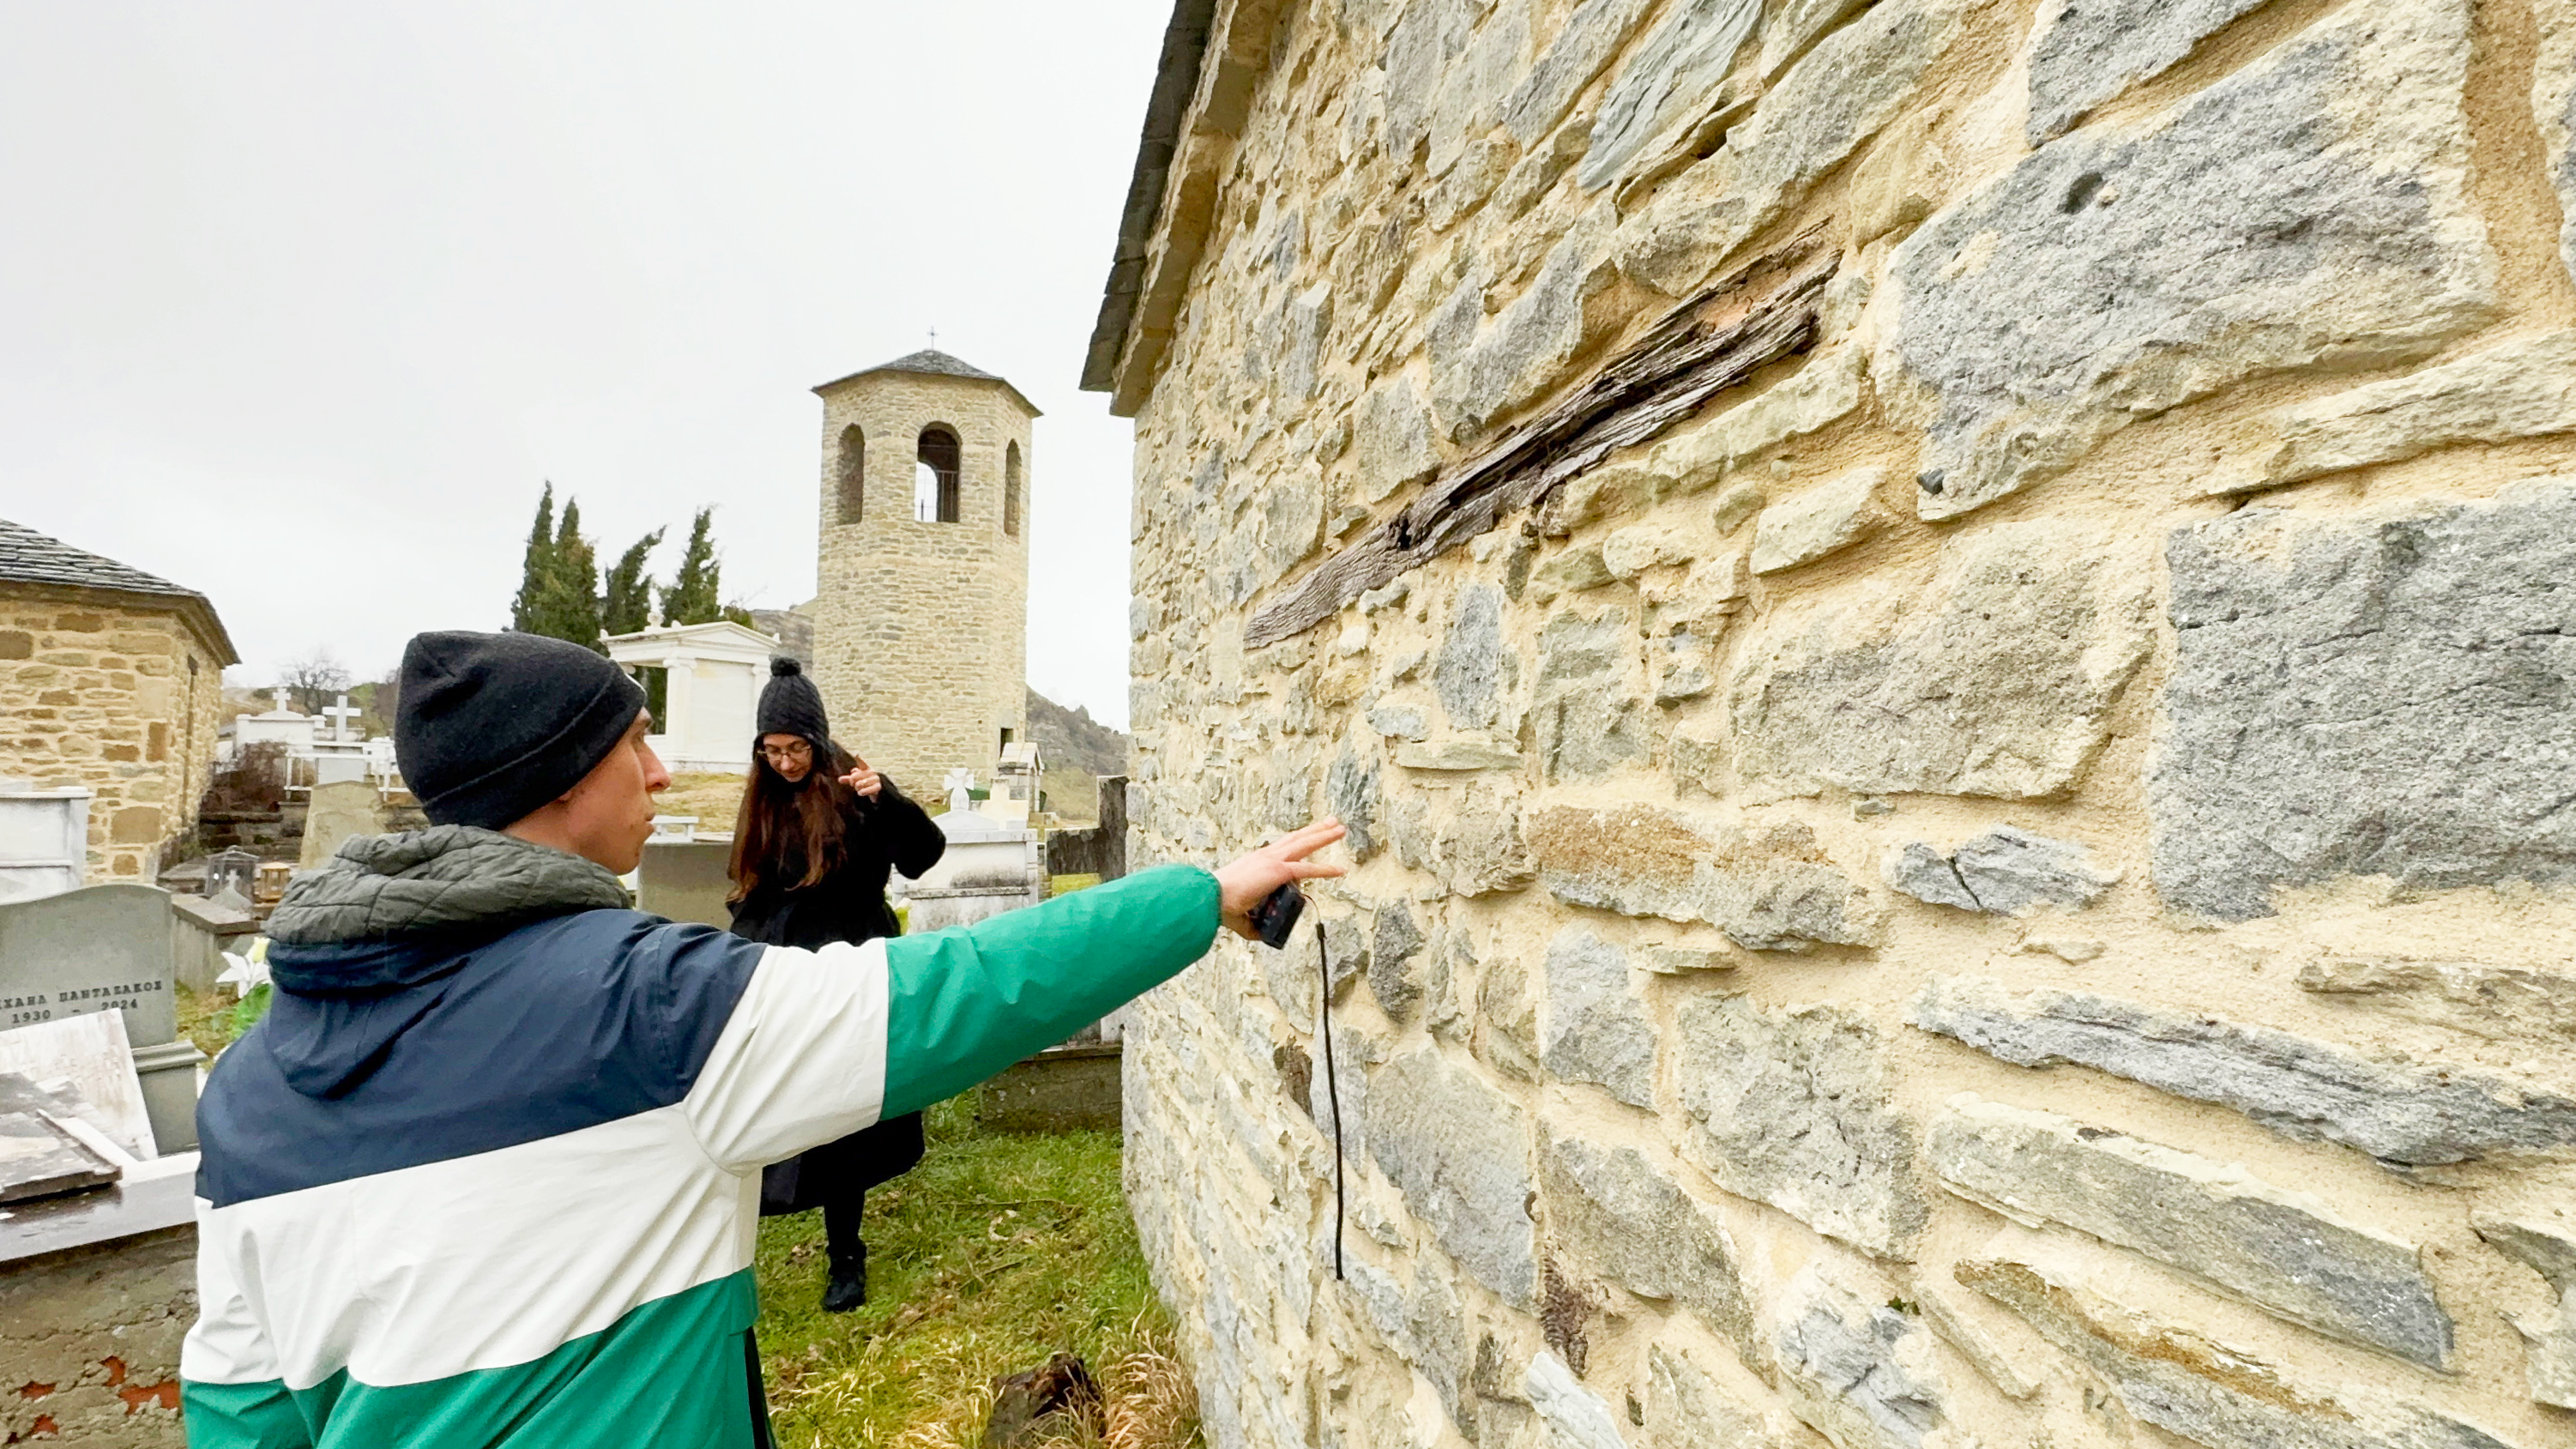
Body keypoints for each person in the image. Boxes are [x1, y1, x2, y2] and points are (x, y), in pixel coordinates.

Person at [181, 630, 1343, 1447]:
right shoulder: (643, 1015)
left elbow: (241, 1409)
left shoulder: (247, 1092)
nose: (654, 765)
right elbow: (961, 989)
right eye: (628, 741)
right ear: (555, 777)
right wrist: (1200, 892)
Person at [727, 655, 944, 1313]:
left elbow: (922, 856)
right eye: (772, 751)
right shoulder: (763, 800)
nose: (785, 763)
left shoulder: (856, 790)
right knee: (771, 1102)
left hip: (850, 964)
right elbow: (753, 890)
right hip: (784, 967)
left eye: (795, 749)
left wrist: (891, 800)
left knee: (844, 1115)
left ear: (817, 743)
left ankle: (845, 1255)